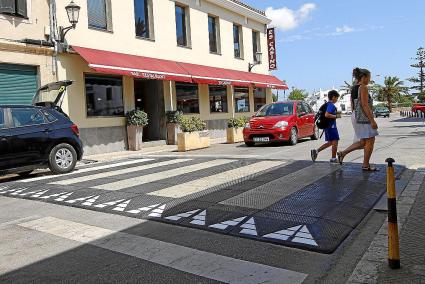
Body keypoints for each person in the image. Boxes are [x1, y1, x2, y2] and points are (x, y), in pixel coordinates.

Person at [337, 68, 379, 171]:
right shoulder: (363, 87)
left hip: (355, 115)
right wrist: (372, 120)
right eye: (369, 77)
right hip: (363, 117)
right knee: (370, 140)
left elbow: (352, 105)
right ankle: (365, 165)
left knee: (363, 142)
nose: (369, 80)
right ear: (364, 77)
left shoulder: (354, 88)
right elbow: (365, 105)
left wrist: (356, 115)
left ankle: (343, 153)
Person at [311, 90, 340, 163]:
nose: (337, 100)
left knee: (330, 142)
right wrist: (335, 116)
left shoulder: (327, 104)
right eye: (336, 98)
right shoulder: (331, 105)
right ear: (333, 97)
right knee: (335, 142)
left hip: (327, 127)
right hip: (331, 127)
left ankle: (316, 151)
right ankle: (333, 158)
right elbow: (326, 114)